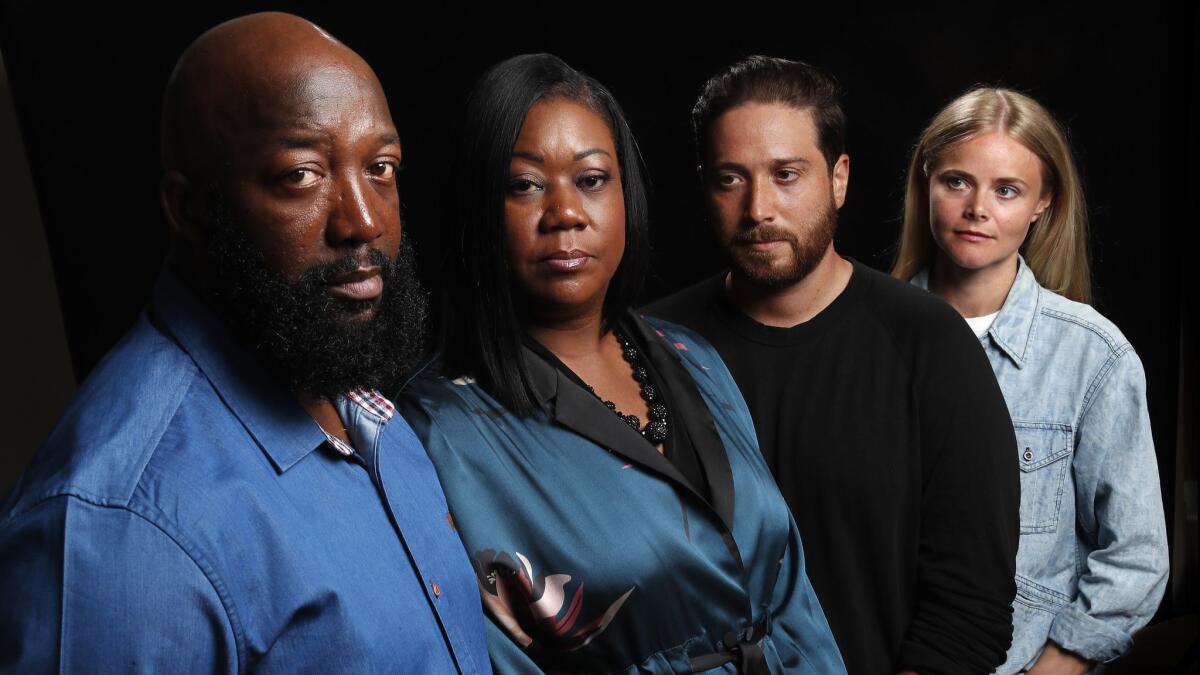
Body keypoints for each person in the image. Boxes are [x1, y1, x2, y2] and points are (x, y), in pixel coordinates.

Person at [0, 13, 489, 673]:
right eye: (302, 176)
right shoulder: (118, 534)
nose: (365, 220)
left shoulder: (352, 393)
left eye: (380, 167)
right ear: (190, 209)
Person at [397, 53, 845, 674]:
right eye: (524, 185)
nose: (566, 214)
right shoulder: (437, 431)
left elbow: (796, 602)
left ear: (624, 193)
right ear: (479, 208)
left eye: (591, 179)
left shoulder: (694, 358)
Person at [645, 56, 1021, 674]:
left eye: (787, 174)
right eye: (730, 179)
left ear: (838, 178)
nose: (759, 207)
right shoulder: (653, 347)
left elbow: (970, 609)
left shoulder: (929, 345)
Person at [893, 86, 1169, 674]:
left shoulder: (1092, 356)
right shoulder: (863, 336)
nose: (978, 209)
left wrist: (1054, 667)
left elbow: (1136, 555)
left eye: (1007, 190)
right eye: (958, 181)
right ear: (926, 181)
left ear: (1044, 202)